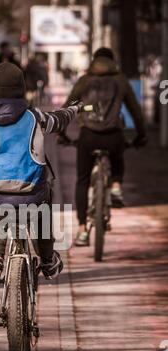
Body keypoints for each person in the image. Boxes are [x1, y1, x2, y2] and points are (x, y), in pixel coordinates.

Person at [0, 62, 83, 284]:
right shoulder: (35, 117)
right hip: (32, 190)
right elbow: (58, 121)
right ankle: (48, 260)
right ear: (21, 88)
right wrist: (73, 109)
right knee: (43, 207)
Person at [61, 47, 147, 247]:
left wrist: (61, 134)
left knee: (82, 180)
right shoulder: (121, 80)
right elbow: (135, 111)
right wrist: (141, 135)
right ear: (113, 62)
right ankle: (116, 186)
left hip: (88, 136)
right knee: (118, 156)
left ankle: (82, 231)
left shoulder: (84, 81)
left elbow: (67, 109)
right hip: (113, 136)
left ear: (94, 61)